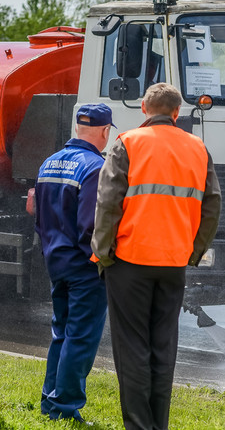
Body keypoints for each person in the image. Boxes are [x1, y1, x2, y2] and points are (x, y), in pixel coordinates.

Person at [91, 83, 221, 430]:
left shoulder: (128, 143)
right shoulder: (198, 148)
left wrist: (102, 253)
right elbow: (212, 206)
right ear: (176, 113)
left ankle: (138, 426)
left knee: (132, 347)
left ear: (145, 109)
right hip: (174, 263)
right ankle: (157, 425)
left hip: (130, 260)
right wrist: (193, 253)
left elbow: (107, 203)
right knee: (163, 347)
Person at [34, 103, 115, 422]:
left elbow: (39, 216)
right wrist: (103, 260)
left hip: (56, 260)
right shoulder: (96, 167)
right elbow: (90, 225)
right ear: (106, 131)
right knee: (80, 337)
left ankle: (50, 401)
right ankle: (65, 408)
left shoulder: (49, 163)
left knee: (62, 332)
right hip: (84, 266)